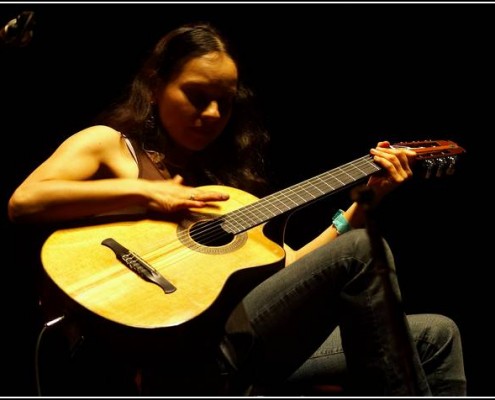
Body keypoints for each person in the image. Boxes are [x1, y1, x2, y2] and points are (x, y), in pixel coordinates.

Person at [8, 22, 466, 396]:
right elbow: (25, 202)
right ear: (154, 85)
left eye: (223, 104)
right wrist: (149, 194)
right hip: (170, 356)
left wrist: (363, 204)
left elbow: (293, 269)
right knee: (366, 253)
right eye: (196, 95)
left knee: (437, 334)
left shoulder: (225, 193)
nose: (210, 114)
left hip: (233, 344)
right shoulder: (110, 146)